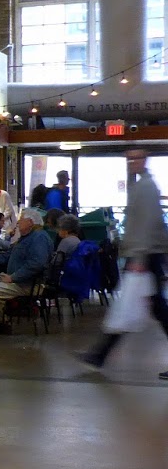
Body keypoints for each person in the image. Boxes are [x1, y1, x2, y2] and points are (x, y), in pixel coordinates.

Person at [83, 150, 168, 368]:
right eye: (129, 160)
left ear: (144, 161)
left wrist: (139, 257)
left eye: (136, 159)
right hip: (144, 255)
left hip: (144, 257)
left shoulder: (146, 188)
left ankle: (100, 354)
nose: (131, 163)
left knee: (144, 307)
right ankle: (99, 355)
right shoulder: (142, 185)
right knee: (133, 306)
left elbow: (148, 224)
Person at [0, 208, 55, 334]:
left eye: (21, 220)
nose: (18, 223)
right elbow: (7, 256)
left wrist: (14, 277)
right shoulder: (28, 237)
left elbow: (37, 263)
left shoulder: (39, 238)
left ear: (30, 222)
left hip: (29, 283)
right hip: (21, 281)